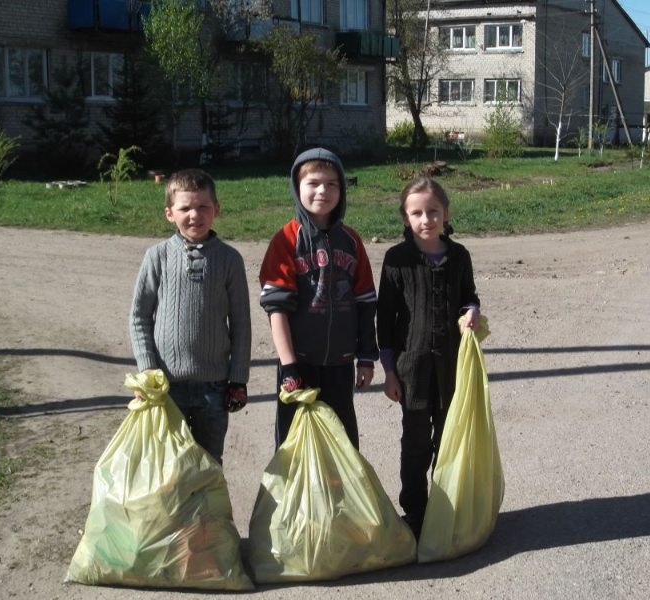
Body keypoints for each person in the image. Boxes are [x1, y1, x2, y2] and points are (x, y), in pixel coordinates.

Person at [376, 175, 480, 539]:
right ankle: (416, 513)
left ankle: (445, 509)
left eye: (433, 211)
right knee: (416, 445)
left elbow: (469, 296)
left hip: (452, 371)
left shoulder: (460, 256)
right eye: (417, 213)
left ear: (446, 213)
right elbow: (384, 319)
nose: (426, 219)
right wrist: (390, 372)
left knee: (449, 444)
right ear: (405, 217)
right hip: (412, 373)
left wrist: (471, 312)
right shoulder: (396, 260)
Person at [129, 169, 251, 466]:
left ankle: (209, 501)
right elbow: (139, 317)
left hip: (215, 388)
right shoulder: (156, 257)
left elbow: (241, 323)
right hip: (167, 387)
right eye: (185, 208)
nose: (194, 215)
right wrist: (147, 369)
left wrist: (238, 379)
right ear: (169, 214)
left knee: (209, 464)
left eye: (203, 206)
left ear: (216, 209)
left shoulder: (230, 259)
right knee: (170, 464)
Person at [259, 147, 378, 450]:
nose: (322, 191)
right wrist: (288, 366)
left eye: (331, 184)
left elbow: (365, 302)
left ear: (342, 189)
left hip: (340, 364)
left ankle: (338, 485)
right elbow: (276, 310)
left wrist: (366, 357)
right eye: (313, 183)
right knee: (294, 446)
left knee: (342, 445)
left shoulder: (351, 241)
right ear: (297, 187)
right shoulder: (286, 240)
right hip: (299, 364)